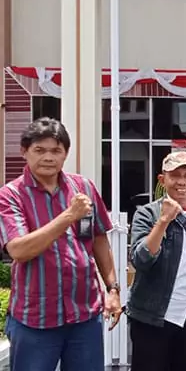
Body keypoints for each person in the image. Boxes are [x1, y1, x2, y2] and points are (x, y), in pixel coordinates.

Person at [0, 117, 122, 371]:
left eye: (56, 151)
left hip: (84, 315)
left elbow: (99, 238)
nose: (48, 157)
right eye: (39, 150)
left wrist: (113, 289)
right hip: (35, 319)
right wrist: (69, 216)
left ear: (66, 153)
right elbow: (19, 250)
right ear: (24, 151)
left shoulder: (83, 187)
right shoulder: (11, 195)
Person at [127, 151, 186, 371]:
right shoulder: (147, 214)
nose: (181, 182)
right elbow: (140, 259)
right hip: (154, 316)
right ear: (162, 179)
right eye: (175, 175)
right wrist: (163, 221)